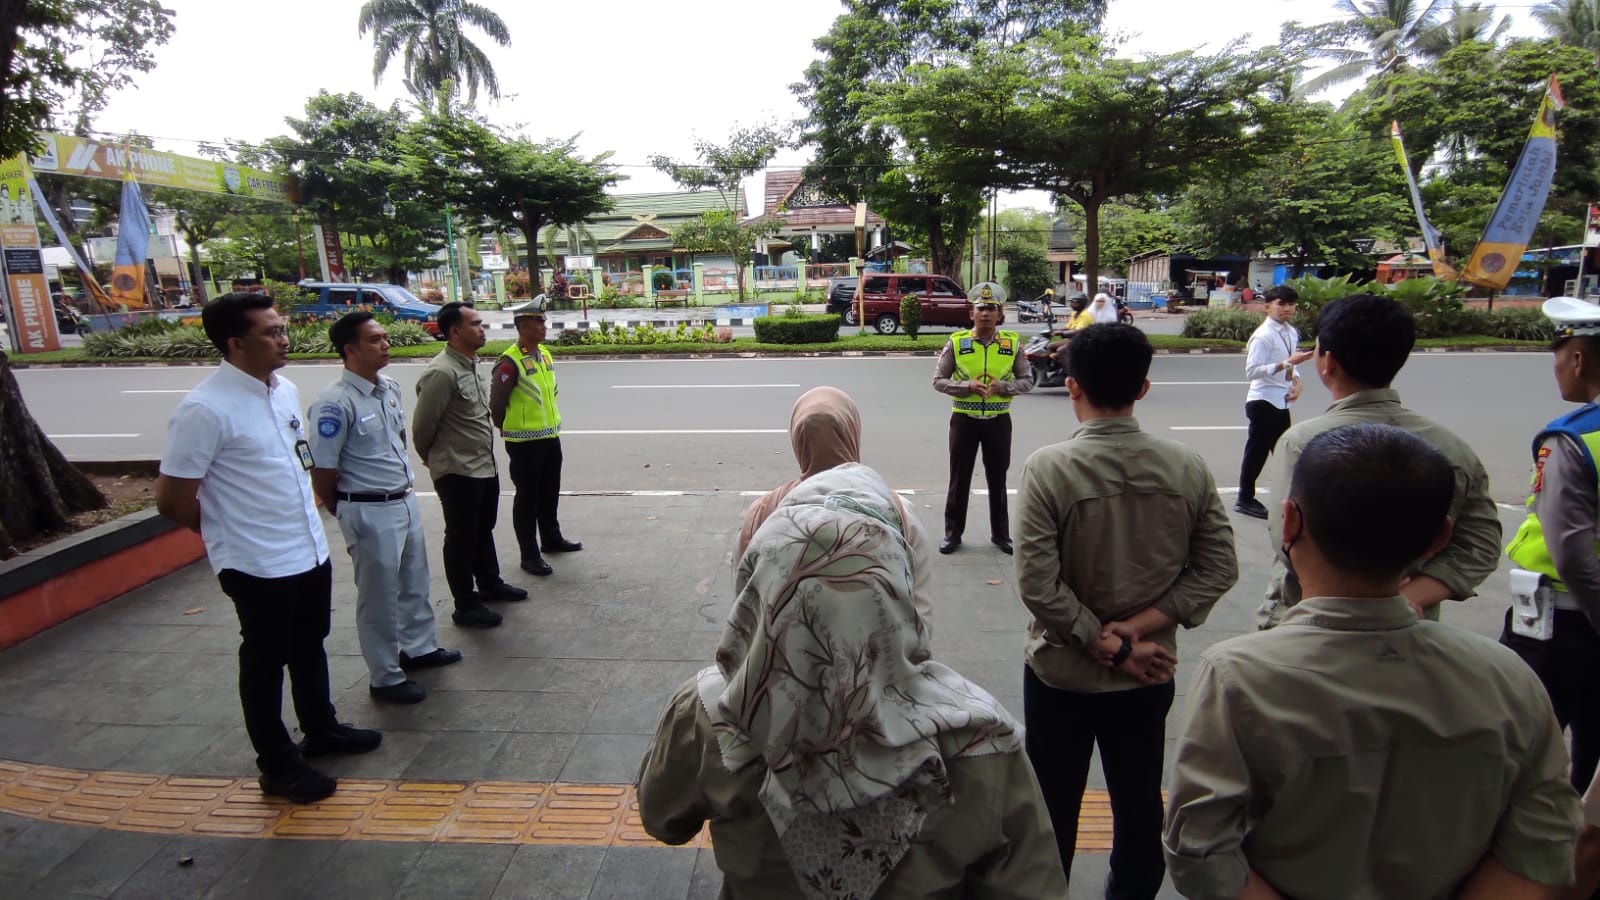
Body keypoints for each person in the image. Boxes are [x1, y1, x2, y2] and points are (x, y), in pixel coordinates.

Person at [1164, 424, 1581, 900]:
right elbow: (1545, 844)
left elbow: (1201, 852)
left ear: (1289, 523)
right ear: (1439, 538)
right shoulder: (1508, 679)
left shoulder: (1238, 676)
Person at [639, 462, 1067, 899]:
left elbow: (662, 819)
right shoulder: (980, 738)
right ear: (898, 592)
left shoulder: (709, 712)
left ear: (758, 586)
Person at [1015, 322, 1238, 900]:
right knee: (1139, 801)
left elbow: (1039, 585)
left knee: (1054, 806)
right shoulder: (1186, 465)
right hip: (1149, 670)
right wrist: (1136, 634)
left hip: (1061, 674)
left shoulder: (1049, 468)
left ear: (1071, 387)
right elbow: (1218, 569)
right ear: (1142, 388)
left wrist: (1105, 639)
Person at [155, 293, 381, 804]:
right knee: (264, 659)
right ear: (235, 343)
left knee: (310, 643)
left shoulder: (282, 390)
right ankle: (278, 765)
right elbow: (172, 500)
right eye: (270, 332)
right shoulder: (204, 409)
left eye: (282, 329)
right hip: (256, 562)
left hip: (305, 548)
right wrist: (229, 532)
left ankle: (321, 729)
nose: (284, 339)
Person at [1258, 294, 1500, 628]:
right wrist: (1411, 596)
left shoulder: (1303, 443)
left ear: (1327, 362)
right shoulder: (1452, 448)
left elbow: (1286, 544)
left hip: (1306, 625)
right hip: (1407, 631)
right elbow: (1480, 543)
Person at [308, 311, 460, 706]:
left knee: (414, 580)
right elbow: (324, 471)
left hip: (403, 500)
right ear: (350, 350)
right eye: (375, 339)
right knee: (377, 596)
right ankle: (385, 674)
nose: (385, 344)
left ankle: (419, 647)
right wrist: (345, 510)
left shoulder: (389, 387)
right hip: (367, 509)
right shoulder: (334, 403)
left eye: (385, 338)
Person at [1502, 296, 1600, 796]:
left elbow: (1572, 550)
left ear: (1578, 358)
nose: (1557, 367)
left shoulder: (1574, 439)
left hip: (1561, 621)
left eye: (1558, 354)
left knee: (1519, 750)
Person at [737, 386, 935, 631]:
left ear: (797, 438)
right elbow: (920, 612)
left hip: (781, 664)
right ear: (853, 432)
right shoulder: (897, 512)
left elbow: (743, 606)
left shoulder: (763, 513)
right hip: (876, 665)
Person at [413, 301, 526, 630]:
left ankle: (490, 583)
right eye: (475, 324)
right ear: (454, 331)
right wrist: (432, 457)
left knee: (482, 528)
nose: (482, 329)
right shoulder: (441, 372)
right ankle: (465, 603)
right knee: (461, 536)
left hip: (482, 465)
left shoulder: (467, 365)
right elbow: (422, 428)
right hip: (457, 470)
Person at [931, 281, 1032, 555]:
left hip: (999, 421)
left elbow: (1027, 380)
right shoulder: (957, 343)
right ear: (970, 313)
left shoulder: (1011, 344)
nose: (985, 313)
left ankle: (1001, 535)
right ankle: (952, 534)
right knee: (959, 477)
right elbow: (938, 380)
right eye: (980, 308)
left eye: (991, 308)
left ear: (1000, 314)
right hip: (964, 420)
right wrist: (966, 387)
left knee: (997, 477)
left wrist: (1003, 388)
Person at [489, 301, 582, 577]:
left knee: (549, 492)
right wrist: (507, 427)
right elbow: (496, 403)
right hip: (524, 443)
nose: (544, 327)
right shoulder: (509, 361)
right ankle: (529, 555)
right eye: (538, 322)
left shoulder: (544, 354)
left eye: (544, 321)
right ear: (522, 326)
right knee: (527, 499)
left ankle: (551, 538)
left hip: (549, 436)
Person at [1234, 285, 1312, 519]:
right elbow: (1252, 371)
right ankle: (1245, 499)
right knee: (1258, 453)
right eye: (1281, 304)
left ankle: (1292, 499)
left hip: (1281, 400)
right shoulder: (1263, 335)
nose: (1286, 309)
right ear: (1267, 306)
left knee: (1284, 452)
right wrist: (1286, 363)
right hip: (1263, 401)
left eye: (1290, 304)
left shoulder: (1290, 331)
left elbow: (1293, 366)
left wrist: (1297, 383)